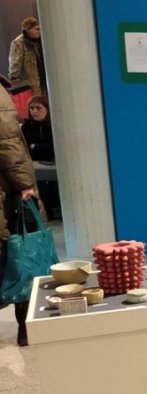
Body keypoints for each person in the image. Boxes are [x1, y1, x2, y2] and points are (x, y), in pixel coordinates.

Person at [0, 86, 39, 346]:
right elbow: (8, 143)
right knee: (22, 253)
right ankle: (26, 328)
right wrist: (25, 184)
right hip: (7, 192)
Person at [8, 17, 46, 97]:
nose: (39, 32)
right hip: (29, 81)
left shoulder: (40, 40)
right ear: (28, 30)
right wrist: (14, 78)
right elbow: (15, 62)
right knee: (36, 99)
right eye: (36, 29)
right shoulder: (19, 43)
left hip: (42, 78)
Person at [21, 95, 53, 162]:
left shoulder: (54, 126)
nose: (34, 111)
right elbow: (24, 147)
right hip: (32, 162)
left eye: (38, 108)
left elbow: (55, 146)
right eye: (31, 108)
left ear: (47, 109)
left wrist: (35, 146)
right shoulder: (26, 127)